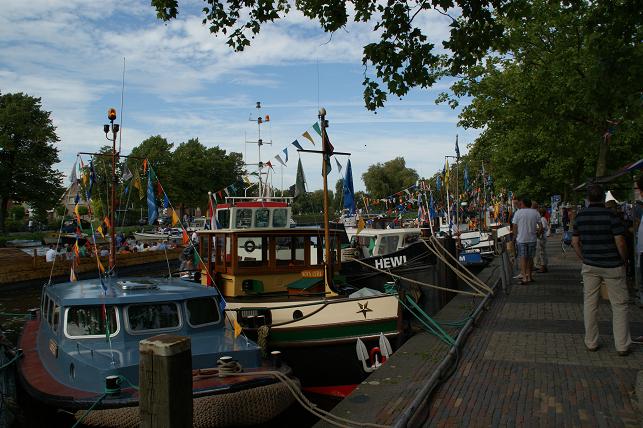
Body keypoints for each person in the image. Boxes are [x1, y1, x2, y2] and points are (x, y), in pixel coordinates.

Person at [571, 183, 631, 356]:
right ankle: (622, 345)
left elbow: (575, 242)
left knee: (590, 304)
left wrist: (584, 258)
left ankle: (591, 341)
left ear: (588, 198)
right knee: (619, 305)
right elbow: (620, 241)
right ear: (603, 198)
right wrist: (623, 259)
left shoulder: (580, 217)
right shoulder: (611, 215)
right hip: (613, 265)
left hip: (590, 265)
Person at [511, 197, 540, 284]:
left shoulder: (518, 213)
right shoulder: (535, 212)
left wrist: (515, 236)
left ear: (523, 204)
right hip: (532, 239)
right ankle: (530, 276)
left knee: (523, 258)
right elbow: (541, 227)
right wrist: (538, 234)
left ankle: (524, 277)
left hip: (521, 239)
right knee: (530, 258)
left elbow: (514, 226)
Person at [534, 207, 549, 273]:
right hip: (542, 237)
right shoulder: (543, 219)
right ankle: (543, 266)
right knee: (542, 252)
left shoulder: (542, 219)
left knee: (541, 252)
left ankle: (543, 267)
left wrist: (537, 232)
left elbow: (542, 228)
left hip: (541, 237)